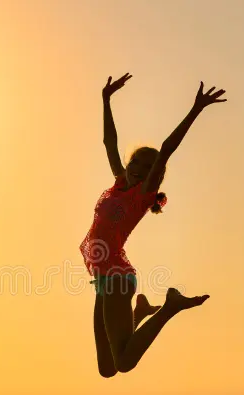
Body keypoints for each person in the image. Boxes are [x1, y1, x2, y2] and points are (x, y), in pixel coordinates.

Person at [79, 74, 226, 377]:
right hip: (104, 281)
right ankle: (140, 312)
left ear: (152, 177)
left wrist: (196, 109)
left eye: (146, 169)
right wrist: (105, 101)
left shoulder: (141, 196)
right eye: (135, 164)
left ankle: (169, 307)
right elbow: (109, 142)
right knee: (107, 369)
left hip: (118, 276)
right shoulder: (119, 184)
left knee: (124, 363)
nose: (137, 170)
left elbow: (167, 147)